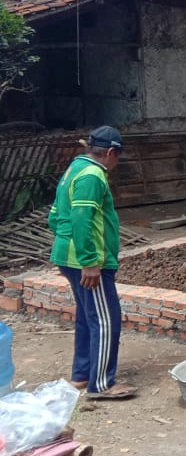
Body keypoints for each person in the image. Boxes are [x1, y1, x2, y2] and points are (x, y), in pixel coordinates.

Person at [48, 126, 137, 399]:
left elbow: (54, 216)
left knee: (89, 318)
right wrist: (88, 262)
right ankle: (101, 384)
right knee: (106, 319)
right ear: (111, 152)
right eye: (117, 157)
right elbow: (82, 219)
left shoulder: (74, 169)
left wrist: (66, 249)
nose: (116, 163)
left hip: (70, 255)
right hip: (87, 261)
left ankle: (82, 375)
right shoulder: (93, 175)